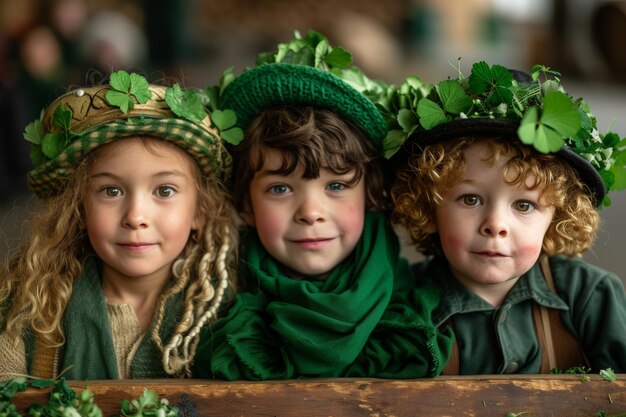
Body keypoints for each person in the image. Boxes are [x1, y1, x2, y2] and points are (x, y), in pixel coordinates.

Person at [192, 30, 452, 380]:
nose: (311, 212)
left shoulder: (421, 313)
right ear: (246, 205)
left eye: (336, 185)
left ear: (372, 194)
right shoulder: (209, 303)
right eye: (281, 188)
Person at [387, 61, 626, 374]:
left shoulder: (590, 296)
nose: (495, 225)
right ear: (429, 207)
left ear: (556, 218)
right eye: (470, 199)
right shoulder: (404, 303)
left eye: (524, 206)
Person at [0, 70, 238, 379]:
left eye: (164, 191)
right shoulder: (27, 314)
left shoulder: (226, 315)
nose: (135, 216)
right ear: (80, 208)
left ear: (200, 210)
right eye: (111, 191)